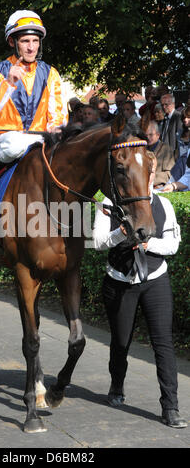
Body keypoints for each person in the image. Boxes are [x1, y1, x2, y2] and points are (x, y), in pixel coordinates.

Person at [93, 156, 187, 428]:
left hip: (155, 279)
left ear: (152, 172)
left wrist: (149, 245)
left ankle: (170, 407)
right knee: (120, 342)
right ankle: (117, 386)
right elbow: (98, 242)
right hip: (119, 280)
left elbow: (173, 245)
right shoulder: (107, 203)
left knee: (163, 344)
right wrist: (121, 234)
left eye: (148, 170)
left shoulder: (164, 204)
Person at [0, 9, 68, 203]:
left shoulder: (51, 73)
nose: (31, 47)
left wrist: (55, 127)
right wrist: (8, 83)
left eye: (35, 41)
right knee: (15, 146)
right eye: (25, 41)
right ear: (12, 42)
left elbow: (59, 111)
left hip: (41, 139)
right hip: (8, 140)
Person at [146, 120, 176, 188]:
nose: (148, 138)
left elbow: (169, 174)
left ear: (158, 135)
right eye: (146, 135)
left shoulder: (166, 149)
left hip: (158, 187)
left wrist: (149, 178)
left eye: (151, 135)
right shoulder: (143, 150)